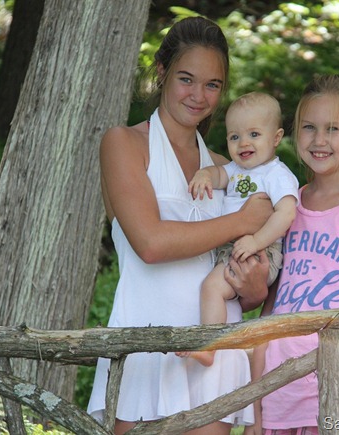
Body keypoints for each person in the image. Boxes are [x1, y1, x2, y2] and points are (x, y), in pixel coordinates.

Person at [86, 17, 273, 435]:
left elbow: (245, 282)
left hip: (214, 353)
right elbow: (150, 243)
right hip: (144, 346)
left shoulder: (227, 169)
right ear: (162, 71)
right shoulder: (124, 144)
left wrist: (255, 286)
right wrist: (240, 221)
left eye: (212, 85)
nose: (198, 95)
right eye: (187, 79)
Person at [244, 74, 339, 435]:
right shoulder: (288, 205)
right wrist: (255, 410)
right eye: (309, 127)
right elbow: (270, 312)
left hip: (331, 399)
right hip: (277, 395)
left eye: (333, 129)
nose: (320, 140)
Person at [178, 92, 298, 367]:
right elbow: (218, 174)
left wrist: (256, 241)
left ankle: (209, 347)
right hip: (236, 248)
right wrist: (204, 174)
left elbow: (286, 214)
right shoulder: (235, 169)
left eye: (254, 134)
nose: (243, 142)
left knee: (211, 287)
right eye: (235, 136)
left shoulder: (276, 174)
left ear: (276, 138)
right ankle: (210, 343)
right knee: (212, 288)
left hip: (261, 251)